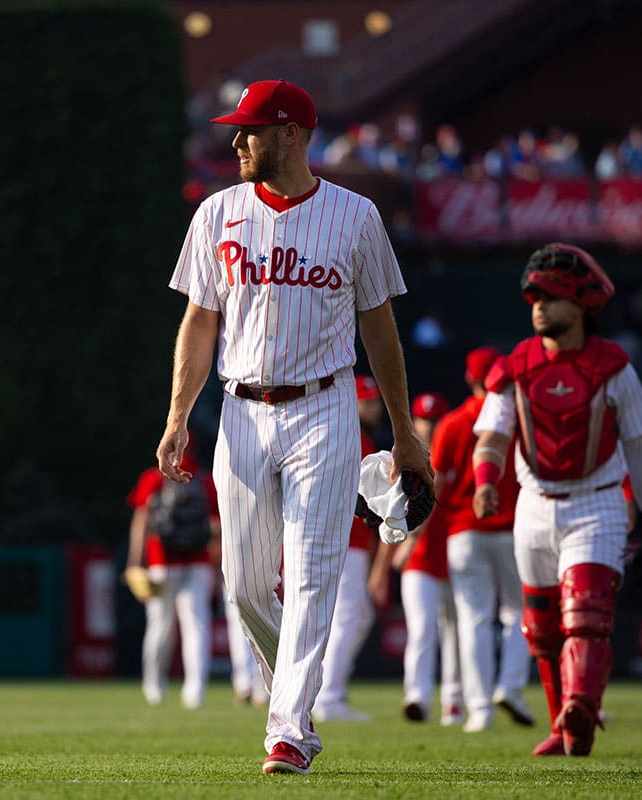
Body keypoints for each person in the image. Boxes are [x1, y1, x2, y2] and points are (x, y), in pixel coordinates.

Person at [156, 78, 432, 776]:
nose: (237, 140)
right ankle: (296, 699)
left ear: (291, 134)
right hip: (241, 409)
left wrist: (404, 434)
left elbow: (381, 327)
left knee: (311, 576)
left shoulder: (356, 216)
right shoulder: (218, 212)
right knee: (245, 586)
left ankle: (287, 731)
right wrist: (178, 415)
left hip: (325, 407)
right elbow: (198, 322)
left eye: (251, 128)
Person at [472, 243, 642, 757]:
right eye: (535, 296)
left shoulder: (614, 367)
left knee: (587, 613)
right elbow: (491, 435)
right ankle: (563, 726)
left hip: (596, 501)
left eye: (553, 297)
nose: (539, 306)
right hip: (533, 505)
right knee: (540, 626)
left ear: (583, 306)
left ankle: (580, 706)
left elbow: (640, 447)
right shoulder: (514, 366)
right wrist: (486, 481)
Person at [432, 347, 533, 733]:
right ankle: (509, 686)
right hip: (513, 528)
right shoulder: (518, 418)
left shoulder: (453, 422)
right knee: (519, 614)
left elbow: (437, 483)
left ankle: (479, 710)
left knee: (473, 620)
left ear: (468, 378)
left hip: (464, 530)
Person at [369, 391, 463, 725]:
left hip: (452, 554)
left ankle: (454, 701)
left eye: (435, 420)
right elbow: (389, 521)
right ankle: (417, 697)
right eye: (424, 419)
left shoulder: (456, 455)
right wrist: (380, 570)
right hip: (419, 561)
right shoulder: (405, 463)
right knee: (422, 629)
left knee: (456, 631)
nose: (429, 426)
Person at [312, 376, 384, 724]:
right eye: (367, 401)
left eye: (373, 401)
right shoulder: (349, 436)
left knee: (352, 616)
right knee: (349, 616)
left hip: (343, 539)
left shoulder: (355, 437)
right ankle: (329, 696)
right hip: (344, 540)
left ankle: (325, 691)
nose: (374, 407)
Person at [125, 450, 218, 709]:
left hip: (161, 560)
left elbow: (142, 519)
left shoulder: (154, 477)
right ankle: (195, 690)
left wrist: (135, 561)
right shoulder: (203, 478)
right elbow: (215, 526)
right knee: (197, 625)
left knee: (159, 625)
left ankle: (154, 686)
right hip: (198, 563)